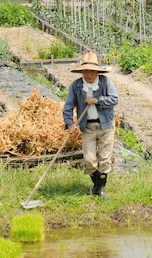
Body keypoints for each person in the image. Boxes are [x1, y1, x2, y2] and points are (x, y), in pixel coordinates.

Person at [63, 51, 119, 200]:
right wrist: (69, 123)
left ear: (97, 72)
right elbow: (68, 106)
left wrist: (97, 100)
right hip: (87, 127)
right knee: (89, 160)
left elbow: (114, 99)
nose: (89, 75)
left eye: (92, 71)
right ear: (82, 72)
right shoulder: (76, 86)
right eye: (86, 71)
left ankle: (99, 189)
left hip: (105, 125)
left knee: (104, 158)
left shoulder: (105, 82)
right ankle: (96, 186)